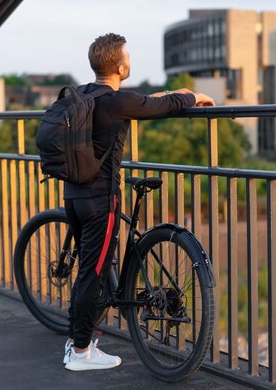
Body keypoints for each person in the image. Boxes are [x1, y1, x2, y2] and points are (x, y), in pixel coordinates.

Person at [63, 33, 215, 371]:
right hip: (101, 201)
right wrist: (193, 96)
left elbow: (148, 99)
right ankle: (80, 352)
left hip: (73, 196)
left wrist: (177, 95)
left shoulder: (84, 95)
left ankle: (77, 339)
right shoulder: (116, 102)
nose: (129, 60)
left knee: (88, 269)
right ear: (119, 66)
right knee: (93, 272)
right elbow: (159, 106)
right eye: (127, 57)